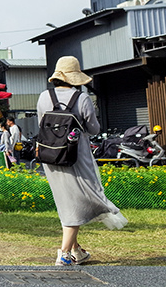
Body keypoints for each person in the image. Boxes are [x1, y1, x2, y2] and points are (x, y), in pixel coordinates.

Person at [36, 56, 128, 266]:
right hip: (76, 156)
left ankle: (76, 250)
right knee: (76, 204)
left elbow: (43, 123)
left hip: (50, 156)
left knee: (66, 201)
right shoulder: (82, 98)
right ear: (74, 77)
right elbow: (94, 129)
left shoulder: (43, 97)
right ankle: (64, 253)